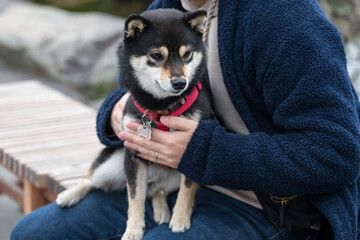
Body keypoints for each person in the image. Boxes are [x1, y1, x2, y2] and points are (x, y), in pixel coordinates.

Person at [11, 0, 360, 239]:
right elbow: (130, 89)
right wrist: (115, 111)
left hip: (269, 206)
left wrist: (203, 151)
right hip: (165, 183)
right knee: (33, 233)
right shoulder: (166, 9)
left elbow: (338, 152)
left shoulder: (286, 20)